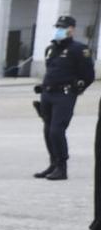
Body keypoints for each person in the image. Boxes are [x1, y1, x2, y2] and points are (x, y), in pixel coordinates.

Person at [33, 14, 92, 180]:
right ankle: (53, 164)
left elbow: (88, 75)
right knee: (47, 130)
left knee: (56, 131)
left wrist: (76, 89)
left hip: (64, 95)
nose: (59, 30)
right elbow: (51, 70)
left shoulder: (79, 49)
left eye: (63, 28)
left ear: (71, 30)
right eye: (58, 27)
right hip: (48, 94)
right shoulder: (51, 49)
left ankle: (62, 167)